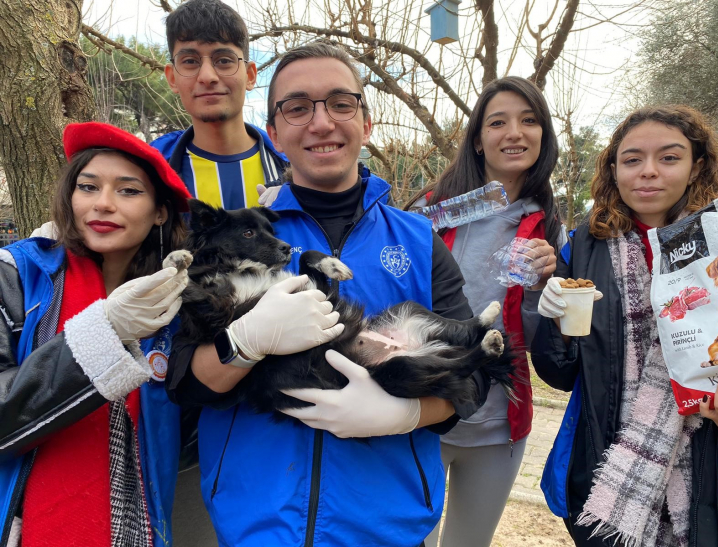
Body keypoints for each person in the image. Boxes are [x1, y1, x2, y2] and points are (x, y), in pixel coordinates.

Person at [166, 42, 491, 547]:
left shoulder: (418, 240)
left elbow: (473, 381)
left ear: (366, 120)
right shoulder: (234, 237)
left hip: (390, 529)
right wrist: (243, 345)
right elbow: (182, 383)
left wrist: (404, 414)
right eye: (298, 107)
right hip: (255, 528)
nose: (321, 123)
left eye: (341, 103)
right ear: (273, 133)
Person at [532, 105, 718, 546]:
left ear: (697, 166)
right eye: (633, 159)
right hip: (606, 469)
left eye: (670, 158)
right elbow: (559, 373)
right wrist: (554, 321)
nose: (649, 172)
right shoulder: (586, 246)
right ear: (614, 169)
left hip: (708, 464)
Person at [0, 121, 192, 547]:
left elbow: (185, 437)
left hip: (138, 526)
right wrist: (105, 335)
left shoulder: (173, 303)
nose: (103, 204)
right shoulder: (15, 276)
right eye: (88, 187)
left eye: (128, 191)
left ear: (161, 211)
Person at [406, 76, 560, 547]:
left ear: (543, 135)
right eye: (498, 122)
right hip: (419, 413)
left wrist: (543, 289)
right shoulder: (426, 212)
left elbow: (537, 339)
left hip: (497, 426)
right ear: (477, 139)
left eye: (529, 120)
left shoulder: (550, 227)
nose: (514, 132)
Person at [150, 0, 287, 206]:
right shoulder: (147, 173)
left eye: (223, 60)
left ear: (250, 75)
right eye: (190, 61)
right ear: (172, 78)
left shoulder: (294, 166)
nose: (207, 76)